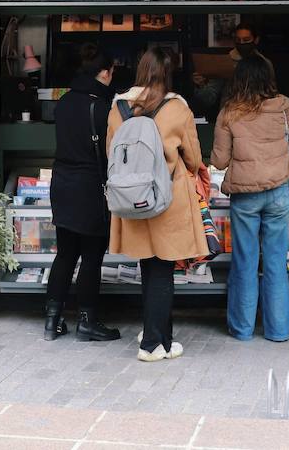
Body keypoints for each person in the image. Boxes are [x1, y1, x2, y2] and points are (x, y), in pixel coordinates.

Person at [107, 47, 206, 362]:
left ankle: (162, 337)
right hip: (167, 199)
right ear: (168, 73)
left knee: (148, 268)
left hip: (131, 198)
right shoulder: (178, 109)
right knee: (162, 270)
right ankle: (152, 343)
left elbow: (112, 153)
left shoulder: (118, 107)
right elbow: (193, 158)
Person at [209, 55, 289, 343]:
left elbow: (220, 160)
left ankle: (242, 329)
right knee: (275, 262)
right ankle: (278, 330)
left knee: (245, 262)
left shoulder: (229, 113)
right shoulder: (283, 107)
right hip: (277, 194)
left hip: (245, 197)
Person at [45, 44, 121, 342]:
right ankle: (88, 321)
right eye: (112, 72)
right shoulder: (103, 108)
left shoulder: (63, 102)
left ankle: (52, 320)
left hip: (62, 185)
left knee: (65, 253)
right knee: (91, 256)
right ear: (104, 73)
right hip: (90, 189)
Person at [192, 22, 270, 117]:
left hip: (259, 116)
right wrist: (201, 85)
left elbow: (271, 92)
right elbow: (209, 98)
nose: (241, 43)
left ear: (256, 40)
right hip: (230, 117)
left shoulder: (265, 64)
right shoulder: (225, 62)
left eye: (246, 40)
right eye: (238, 40)